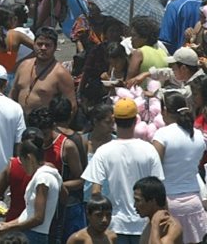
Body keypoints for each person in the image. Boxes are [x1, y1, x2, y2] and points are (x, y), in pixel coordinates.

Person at [83, 98, 165, 244]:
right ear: (135, 121)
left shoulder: (102, 152)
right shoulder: (149, 150)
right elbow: (159, 191)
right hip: (144, 226)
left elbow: (95, 192)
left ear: (115, 121)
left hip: (114, 226)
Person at [149, 92, 207, 242]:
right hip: (195, 202)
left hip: (169, 204)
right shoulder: (198, 135)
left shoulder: (162, 134)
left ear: (165, 111)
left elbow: (154, 169)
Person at [0, 139, 61, 244]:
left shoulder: (43, 178)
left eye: (22, 162)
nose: (22, 167)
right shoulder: (45, 175)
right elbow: (28, 214)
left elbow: (38, 218)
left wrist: (9, 227)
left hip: (34, 236)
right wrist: (5, 225)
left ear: (29, 158)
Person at [134, 177, 182, 244]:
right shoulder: (150, 223)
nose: (134, 205)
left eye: (138, 200)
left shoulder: (172, 226)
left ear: (152, 201)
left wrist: (155, 223)